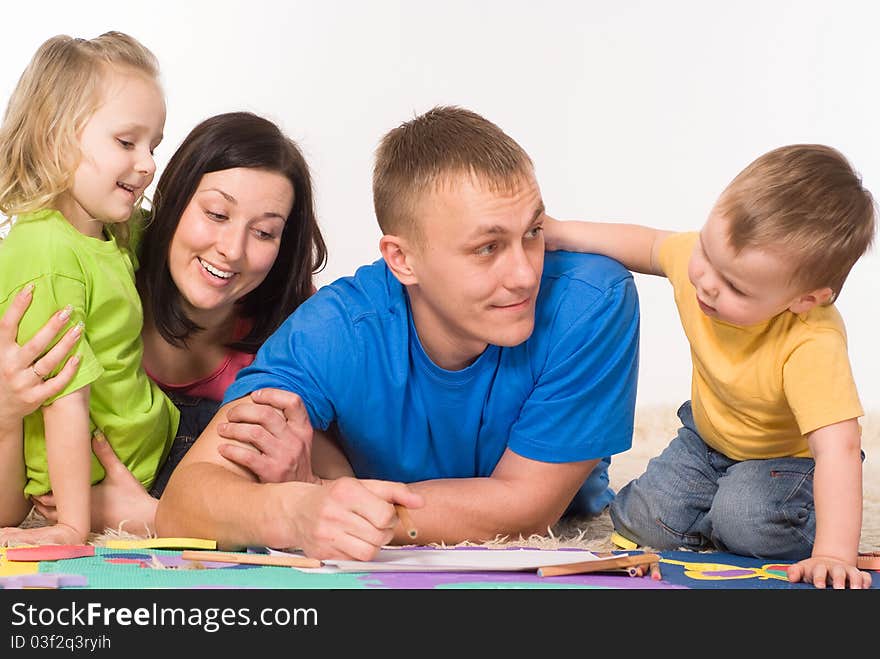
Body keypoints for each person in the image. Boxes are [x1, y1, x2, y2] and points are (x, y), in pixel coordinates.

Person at [155, 105, 641, 560]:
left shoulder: (591, 302)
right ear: (402, 260)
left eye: (533, 233)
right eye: (487, 247)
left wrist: (327, 495)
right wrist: (295, 513)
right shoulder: (335, 329)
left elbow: (525, 507)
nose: (523, 275)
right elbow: (186, 501)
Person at [543, 144, 875, 589]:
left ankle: (783, 518)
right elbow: (650, 244)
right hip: (707, 440)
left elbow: (838, 448)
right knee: (639, 520)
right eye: (705, 250)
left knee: (747, 521)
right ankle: (714, 510)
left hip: (789, 462)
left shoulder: (811, 344)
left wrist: (834, 552)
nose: (706, 283)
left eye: (735, 286)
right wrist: (560, 231)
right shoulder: (706, 264)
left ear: (804, 300)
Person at [0, 111, 329, 536]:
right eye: (215, 214)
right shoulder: (102, 265)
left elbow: (339, 482)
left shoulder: (300, 328)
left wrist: (151, 515)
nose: (232, 250)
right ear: (173, 201)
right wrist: (7, 411)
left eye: (265, 232)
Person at [0, 32, 176, 545]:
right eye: (126, 142)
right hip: (112, 481)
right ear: (55, 138)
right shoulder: (48, 255)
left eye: (153, 146)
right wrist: (72, 526)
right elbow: (62, 398)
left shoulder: (106, 230)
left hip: (153, 450)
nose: (147, 164)